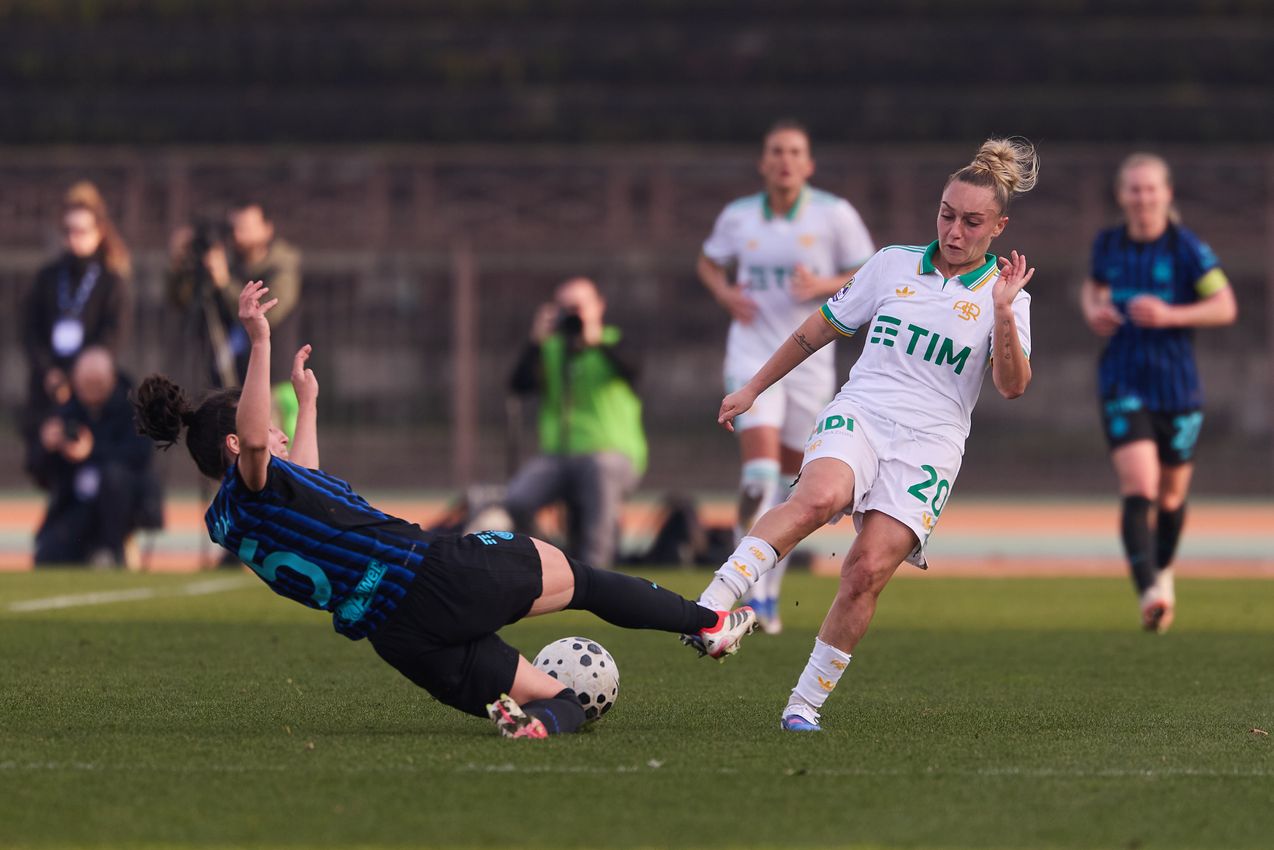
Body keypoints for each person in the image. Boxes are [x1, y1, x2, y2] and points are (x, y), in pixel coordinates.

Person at [133, 281, 756, 739]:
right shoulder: (252, 475)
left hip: (397, 636)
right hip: (434, 574)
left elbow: (308, 479)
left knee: (560, 698)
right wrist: (260, 340)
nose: (282, 431)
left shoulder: (233, 516)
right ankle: (705, 624)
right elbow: (262, 444)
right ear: (238, 445)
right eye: (271, 426)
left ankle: (540, 727)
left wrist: (308, 402)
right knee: (584, 579)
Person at [689, 138, 1039, 732]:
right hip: (864, 412)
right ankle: (713, 604)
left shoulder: (1010, 299)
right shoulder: (892, 264)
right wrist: (754, 388)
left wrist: (1003, 313)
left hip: (932, 444)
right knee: (818, 497)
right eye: (946, 214)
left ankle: (803, 706)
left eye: (971, 221)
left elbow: (1011, 385)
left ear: (998, 227)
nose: (954, 230)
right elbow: (817, 330)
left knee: (867, 571)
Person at [697, 120, 874, 633]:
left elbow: (869, 271)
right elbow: (708, 264)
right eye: (776, 151)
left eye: (795, 151)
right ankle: (740, 589)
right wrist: (726, 293)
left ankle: (769, 593)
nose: (785, 160)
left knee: (789, 487)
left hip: (809, 364)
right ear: (763, 162)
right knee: (757, 476)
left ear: (809, 163)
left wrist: (824, 283)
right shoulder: (738, 217)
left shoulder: (834, 214)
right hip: (752, 356)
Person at [1079, 153, 1237, 633]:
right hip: (1123, 382)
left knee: (1170, 499)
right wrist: (1095, 312)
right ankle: (1149, 591)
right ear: (1122, 195)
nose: (1143, 197)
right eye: (1134, 189)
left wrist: (1172, 315)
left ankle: (1163, 571)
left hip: (1178, 388)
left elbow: (1224, 305)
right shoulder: (1108, 244)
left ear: (1167, 194)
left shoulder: (1187, 248)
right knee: (1141, 488)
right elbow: (1093, 290)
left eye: (1151, 189)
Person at [504, 277, 647, 570]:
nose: (572, 314)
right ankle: (541, 563)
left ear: (598, 307)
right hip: (558, 457)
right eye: (565, 308)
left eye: (578, 307)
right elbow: (518, 385)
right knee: (517, 499)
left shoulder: (613, 343)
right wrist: (535, 342)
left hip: (612, 455)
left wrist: (595, 342)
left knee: (600, 470)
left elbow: (635, 370)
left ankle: (595, 572)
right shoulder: (550, 349)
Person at [21, 182, 133, 489]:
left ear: (98, 233)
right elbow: (31, 331)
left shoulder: (111, 282)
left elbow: (112, 337)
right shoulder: (47, 277)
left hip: (90, 388)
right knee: (47, 458)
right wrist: (51, 373)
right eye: (69, 231)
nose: (75, 238)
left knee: (93, 462)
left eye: (82, 231)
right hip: (48, 385)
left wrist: (76, 378)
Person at [167, 199, 303, 437]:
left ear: (267, 229)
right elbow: (182, 301)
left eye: (247, 228)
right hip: (228, 384)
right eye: (236, 228)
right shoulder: (227, 262)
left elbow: (264, 315)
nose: (239, 235)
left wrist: (225, 282)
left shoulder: (282, 267)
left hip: (272, 384)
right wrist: (181, 264)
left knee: (272, 460)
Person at [32, 347, 161, 567]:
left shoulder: (132, 407)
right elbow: (40, 472)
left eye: (97, 385)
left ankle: (112, 549)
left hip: (119, 506)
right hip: (78, 504)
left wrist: (91, 451)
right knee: (48, 554)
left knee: (113, 477)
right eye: (85, 386)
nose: (91, 393)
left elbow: (139, 455)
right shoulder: (68, 409)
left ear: (111, 379)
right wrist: (46, 447)